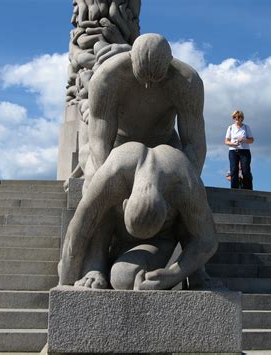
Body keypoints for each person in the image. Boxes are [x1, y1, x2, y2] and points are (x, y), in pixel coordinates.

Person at [58, 142, 218, 291]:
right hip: (114, 230)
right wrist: (67, 278)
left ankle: (196, 274)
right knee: (101, 210)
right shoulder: (114, 172)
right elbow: (80, 225)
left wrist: (174, 274)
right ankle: (96, 263)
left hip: (158, 240)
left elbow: (207, 239)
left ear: (167, 209)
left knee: (123, 278)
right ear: (125, 203)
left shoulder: (184, 181)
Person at [85, 33, 206, 193]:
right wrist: (108, 178)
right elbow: (99, 140)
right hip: (118, 144)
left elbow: (194, 142)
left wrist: (190, 181)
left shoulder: (187, 81)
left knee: (185, 193)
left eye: (158, 79)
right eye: (141, 78)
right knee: (93, 186)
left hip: (166, 144)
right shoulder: (106, 78)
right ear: (131, 57)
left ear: (169, 61)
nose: (148, 86)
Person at [224, 110, 254, 190]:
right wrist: (233, 144)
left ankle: (248, 189)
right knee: (233, 170)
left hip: (244, 151)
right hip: (233, 151)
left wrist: (244, 140)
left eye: (238, 117)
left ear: (242, 118)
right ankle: (234, 189)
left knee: (246, 170)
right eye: (234, 117)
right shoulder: (230, 128)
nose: (236, 118)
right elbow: (226, 141)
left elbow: (252, 140)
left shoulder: (246, 127)